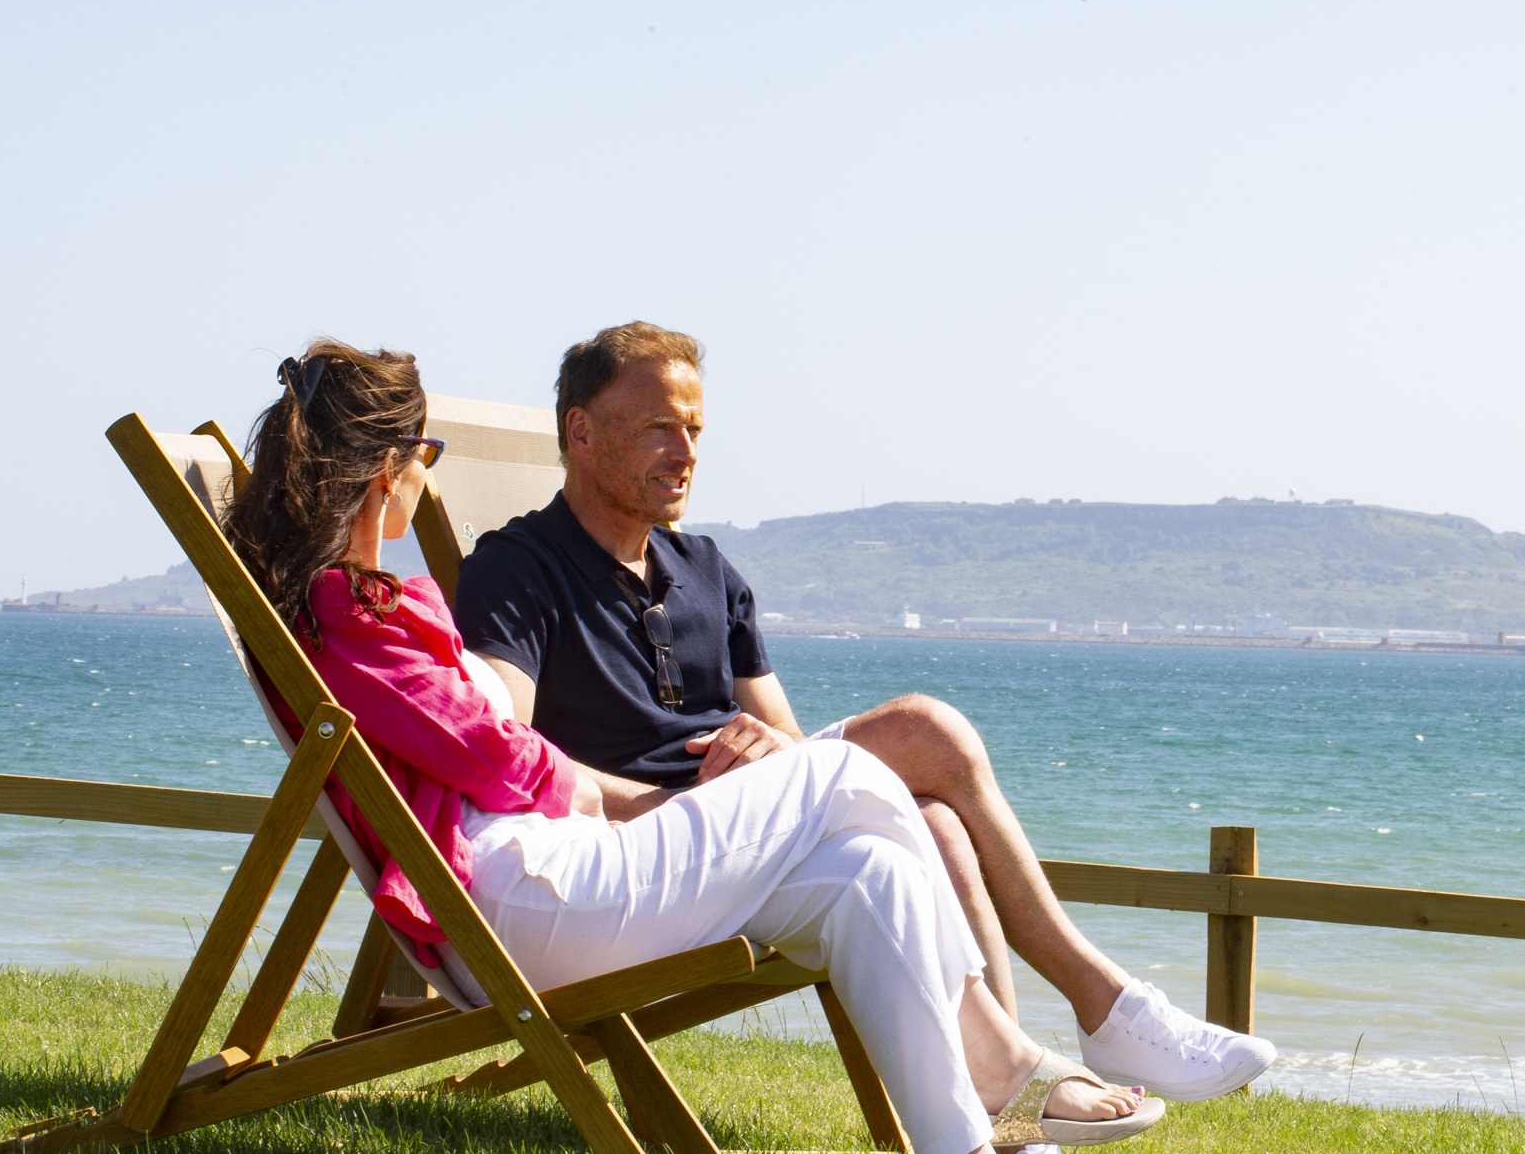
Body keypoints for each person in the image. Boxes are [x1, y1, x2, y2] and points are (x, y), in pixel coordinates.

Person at [221, 339, 1162, 1153]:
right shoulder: (351, 616)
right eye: (424, 453)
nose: (427, 470)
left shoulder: (362, 606)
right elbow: (494, 751)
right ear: (390, 469)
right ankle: (1008, 1065)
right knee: (842, 768)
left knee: (869, 869)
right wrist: (644, 801)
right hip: (519, 903)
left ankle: (963, 1135)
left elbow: (494, 744)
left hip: (548, 883)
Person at [448, 322, 1276, 1101]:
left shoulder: (706, 568)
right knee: (928, 729)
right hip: (637, 859)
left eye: (696, 430)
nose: (687, 452)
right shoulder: (516, 569)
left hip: (749, 831)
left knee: (942, 829)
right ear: (583, 433)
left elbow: (790, 740)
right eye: (662, 428)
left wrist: (770, 751)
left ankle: (1014, 1108)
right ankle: (1109, 1010)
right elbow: (502, 744)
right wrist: (648, 801)